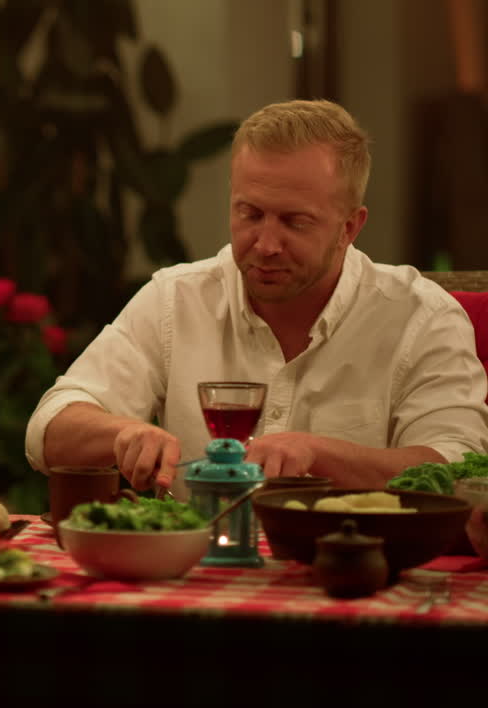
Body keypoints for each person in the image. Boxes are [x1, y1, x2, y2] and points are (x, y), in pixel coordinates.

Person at [25, 99, 488, 494]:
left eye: (294, 222)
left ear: (350, 227)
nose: (265, 243)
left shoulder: (421, 316)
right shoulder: (176, 298)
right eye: (250, 213)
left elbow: (458, 471)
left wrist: (319, 453)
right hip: (191, 579)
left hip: (355, 576)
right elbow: (49, 430)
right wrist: (124, 433)